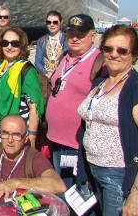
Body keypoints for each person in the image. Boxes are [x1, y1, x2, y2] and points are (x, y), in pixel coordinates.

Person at [76, 25, 138, 216]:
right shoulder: (100, 83)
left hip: (119, 177)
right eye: (108, 48)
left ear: (134, 55)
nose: (114, 54)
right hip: (93, 170)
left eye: (122, 50)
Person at [46, 14, 101, 190]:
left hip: (76, 144)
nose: (75, 38)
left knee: (75, 192)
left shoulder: (98, 62)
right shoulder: (65, 56)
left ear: (93, 36)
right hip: (56, 139)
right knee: (61, 187)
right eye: (71, 34)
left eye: (81, 34)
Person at [35, 11, 68, 78]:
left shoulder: (67, 39)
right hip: (46, 78)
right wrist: (46, 74)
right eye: (49, 22)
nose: (52, 25)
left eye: (55, 22)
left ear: (61, 22)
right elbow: (38, 62)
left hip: (62, 76)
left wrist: (57, 74)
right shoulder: (41, 40)